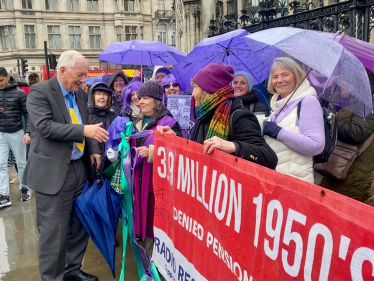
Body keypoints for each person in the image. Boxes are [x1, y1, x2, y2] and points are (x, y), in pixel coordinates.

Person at [23, 50, 109, 281]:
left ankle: (72, 270)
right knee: (54, 234)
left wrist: (93, 150)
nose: (84, 80)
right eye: (80, 75)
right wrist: (83, 131)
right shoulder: (39, 92)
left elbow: (86, 123)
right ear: (62, 70)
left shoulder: (80, 94)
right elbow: (45, 127)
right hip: (53, 174)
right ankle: (52, 278)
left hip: (79, 170)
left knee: (79, 225)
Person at [157, 62, 278, 169]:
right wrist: (176, 138)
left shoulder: (238, 116)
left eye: (195, 87)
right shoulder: (203, 114)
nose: (192, 93)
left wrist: (234, 146)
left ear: (207, 91)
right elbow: (197, 148)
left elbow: (270, 157)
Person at [131, 81, 181, 245]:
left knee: (156, 224)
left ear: (156, 100)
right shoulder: (139, 122)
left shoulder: (169, 122)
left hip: (158, 186)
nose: (141, 102)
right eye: (139, 98)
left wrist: (151, 152)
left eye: (145, 98)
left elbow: (179, 152)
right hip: (141, 183)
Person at [263, 57, 325, 183]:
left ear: (296, 77)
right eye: (275, 77)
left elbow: (316, 146)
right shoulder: (278, 105)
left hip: (295, 184)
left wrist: (277, 132)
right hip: (275, 181)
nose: (279, 80)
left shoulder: (308, 101)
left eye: (285, 75)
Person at [319, 69, 374, 204]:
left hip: (352, 176)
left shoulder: (366, 105)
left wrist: (330, 118)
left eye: (347, 82)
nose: (341, 84)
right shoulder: (352, 105)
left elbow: (356, 133)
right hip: (341, 170)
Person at [0, 67, 31, 208]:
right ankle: (4, 195)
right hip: (1, 133)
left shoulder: (19, 94)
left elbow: (27, 114)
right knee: (1, 165)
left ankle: (24, 188)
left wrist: (28, 132)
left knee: (21, 162)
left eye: (1, 80)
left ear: (7, 77)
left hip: (16, 132)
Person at [88, 82, 117, 172]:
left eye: (105, 94)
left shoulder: (113, 115)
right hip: (89, 163)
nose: (102, 97)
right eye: (98, 94)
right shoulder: (84, 114)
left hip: (109, 164)